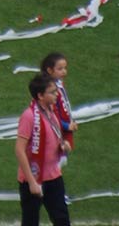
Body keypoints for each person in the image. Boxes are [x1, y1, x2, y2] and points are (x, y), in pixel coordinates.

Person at [15, 74, 71, 226]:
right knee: (30, 221)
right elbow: (19, 150)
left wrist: (63, 145)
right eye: (52, 92)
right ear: (40, 95)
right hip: (33, 179)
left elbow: (52, 137)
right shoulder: (29, 116)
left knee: (62, 219)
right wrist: (32, 182)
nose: (56, 94)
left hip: (53, 176)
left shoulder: (51, 111)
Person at [39, 52, 77, 160]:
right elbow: (52, 114)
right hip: (58, 130)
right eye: (60, 69)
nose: (64, 71)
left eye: (65, 68)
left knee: (61, 159)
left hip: (64, 126)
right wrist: (66, 125)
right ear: (50, 70)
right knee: (56, 160)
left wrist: (70, 120)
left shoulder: (59, 83)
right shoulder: (51, 90)